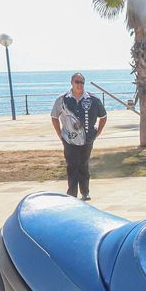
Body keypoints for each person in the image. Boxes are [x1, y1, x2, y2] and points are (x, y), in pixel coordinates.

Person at [51, 73, 107, 201]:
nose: (79, 84)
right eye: (77, 81)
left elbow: (103, 117)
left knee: (83, 165)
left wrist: (96, 134)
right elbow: (54, 117)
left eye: (82, 82)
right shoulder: (62, 99)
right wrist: (60, 134)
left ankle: (85, 192)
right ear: (71, 82)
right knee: (71, 166)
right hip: (69, 140)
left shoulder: (93, 99)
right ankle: (72, 195)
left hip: (87, 140)